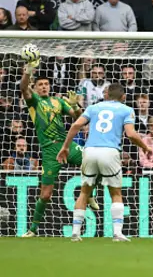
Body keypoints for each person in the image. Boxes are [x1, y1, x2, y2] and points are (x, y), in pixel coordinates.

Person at [56, 83, 151, 242]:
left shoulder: (93, 107)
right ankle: (117, 234)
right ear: (123, 97)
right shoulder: (127, 110)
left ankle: (75, 233)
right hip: (110, 151)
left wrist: (65, 146)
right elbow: (131, 134)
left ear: (107, 95)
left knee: (85, 192)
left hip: (90, 151)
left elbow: (76, 125)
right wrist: (145, 147)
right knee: (116, 193)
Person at [19, 58, 97, 238]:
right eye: (41, 85)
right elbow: (24, 88)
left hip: (66, 145)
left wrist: (76, 104)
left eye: (46, 84)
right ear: (36, 87)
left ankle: (89, 193)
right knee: (45, 195)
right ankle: (33, 229)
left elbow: (79, 118)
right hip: (49, 151)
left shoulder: (58, 102)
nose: (44, 87)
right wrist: (29, 69)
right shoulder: (35, 102)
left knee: (93, 162)